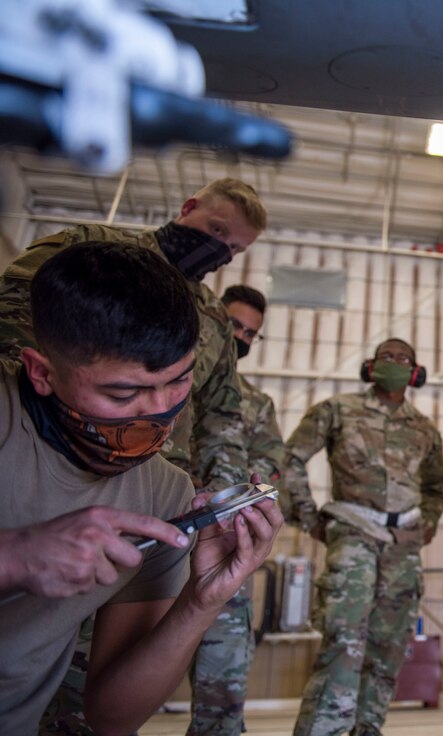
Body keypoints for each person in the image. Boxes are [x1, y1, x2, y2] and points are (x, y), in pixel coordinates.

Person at [0, 177, 268, 734]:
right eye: (124, 394)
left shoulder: (163, 494)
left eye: (177, 387)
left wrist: (202, 592)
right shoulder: (84, 253)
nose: (156, 413)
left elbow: (113, 713)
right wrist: (15, 555)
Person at [0, 176, 267, 492]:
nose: (221, 249)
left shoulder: (216, 319)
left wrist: (224, 495)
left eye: (235, 247)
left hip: (152, 483)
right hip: (45, 457)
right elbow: (9, 326)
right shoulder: (88, 252)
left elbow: (221, 414)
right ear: (189, 207)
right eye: (217, 230)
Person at [282, 338, 443, 736]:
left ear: (415, 372)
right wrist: (307, 516)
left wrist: (427, 524)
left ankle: (366, 728)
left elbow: (436, 486)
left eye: (402, 358)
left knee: (390, 644)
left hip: (403, 542)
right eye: (385, 357)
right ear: (371, 367)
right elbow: (288, 459)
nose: (393, 363)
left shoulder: (425, 429)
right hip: (353, 530)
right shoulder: (338, 410)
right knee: (344, 638)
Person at [188, 284, 285, 735]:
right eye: (234, 325)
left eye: (251, 333)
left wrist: (239, 494)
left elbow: (270, 467)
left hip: (224, 538)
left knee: (223, 679)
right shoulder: (169, 370)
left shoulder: (257, 403)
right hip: (154, 530)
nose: (240, 338)